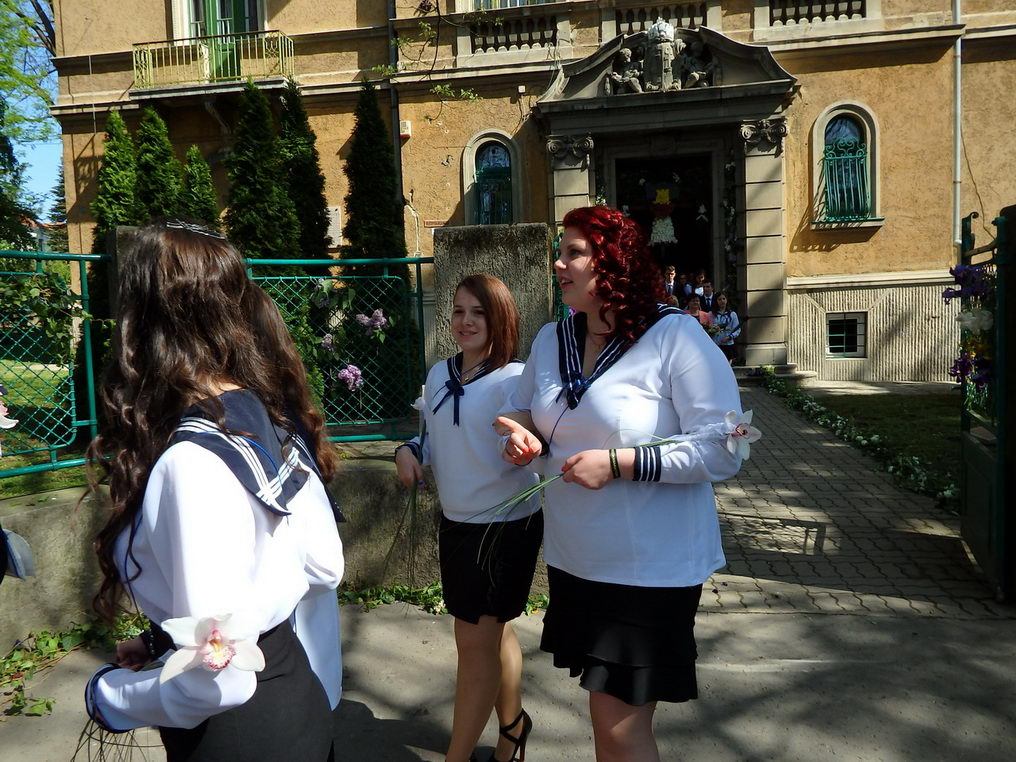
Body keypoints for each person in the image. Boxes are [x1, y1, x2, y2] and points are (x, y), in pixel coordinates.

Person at [82, 222, 344, 761]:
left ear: (144, 324)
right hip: (296, 703)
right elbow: (324, 565)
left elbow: (217, 685)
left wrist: (110, 697)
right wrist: (165, 640)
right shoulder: (264, 414)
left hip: (237, 733)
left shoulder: (190, 462)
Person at [495, 206, 743, 761]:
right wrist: (521, 436)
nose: (559, 263)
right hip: (577, 560)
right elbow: (520, 411)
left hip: (648, 569)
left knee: (619, 728)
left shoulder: (673, 336)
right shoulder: (551, 338)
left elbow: (725, 447)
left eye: (574, 252)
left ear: (613, 261)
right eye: (560, 251)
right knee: (606, 723)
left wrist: (620, 463)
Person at [395, 274, 541, 762]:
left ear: (502, 317)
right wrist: (407, 450)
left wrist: (521, 446)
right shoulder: (439, 373)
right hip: (456, 524)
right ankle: (513, 729)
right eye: (458, 310)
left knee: (474, 646)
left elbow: (528, 443)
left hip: (504, 527)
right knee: (493, 633)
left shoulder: (516, 379)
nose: (466, 321)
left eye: (479, 312)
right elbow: (431, 436)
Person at [711, 292, 741, 364]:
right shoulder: (711, 314)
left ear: (726, 300)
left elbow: (737, 329)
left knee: (727, 365)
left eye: (724, 299)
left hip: (728, 344)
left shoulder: (732, 314)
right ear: (716, 301)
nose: (722, 301)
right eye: (719, 299)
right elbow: (709, 328)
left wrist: (730, 337)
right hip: (716, 344)